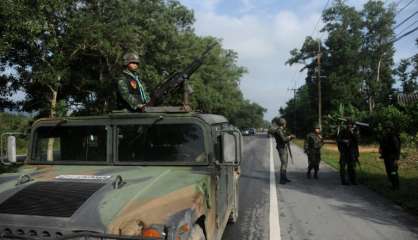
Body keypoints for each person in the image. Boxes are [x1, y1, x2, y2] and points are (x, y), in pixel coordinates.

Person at [270, 117, 295, 184]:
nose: (285, 124)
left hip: (284, 147)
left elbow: (285, 139)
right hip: (281, 148)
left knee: (285, 163)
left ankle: (284, 177)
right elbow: (283, 139)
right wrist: (290, 137)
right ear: (283, 123)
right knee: (283, 164)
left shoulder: (281, 130)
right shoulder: (279, 131)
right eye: (285, 123)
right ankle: (282, 179)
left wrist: (290, 138)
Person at [379, 121, 401, 190]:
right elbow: (382, 144)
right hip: (387, 156)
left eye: (388, 128)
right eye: (386, 128)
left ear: (391, 128)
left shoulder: (394, 136)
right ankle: (392, 184)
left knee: (393, 172)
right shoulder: (386, 136)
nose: (387, 129)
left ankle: (396, 186)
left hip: (392, 157)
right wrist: (381, 149)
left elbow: (397, 148)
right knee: (389, 171)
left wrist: (396, 159)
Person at [336, 119, 359, 185]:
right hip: (344, 151)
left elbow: (357, 139)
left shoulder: (355, 131)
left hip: (352, 152)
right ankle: (344, 181)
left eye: (351, 124)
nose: (349, 125)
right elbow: (338, 139)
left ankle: (353, 180)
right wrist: (344, 141)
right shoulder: (343, 131)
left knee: (352, 166)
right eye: (348, 124)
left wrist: (352, 132)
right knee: (343, 166)